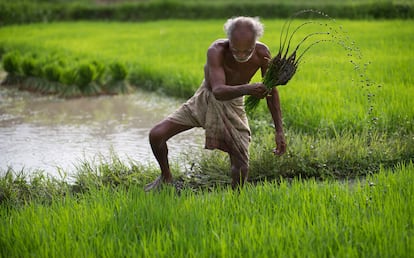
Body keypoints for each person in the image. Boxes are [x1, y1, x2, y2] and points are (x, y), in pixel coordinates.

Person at [145, 16, 286, 191]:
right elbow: (218, 91)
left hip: (234, 104)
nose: (241, 56)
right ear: (229, 41)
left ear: (255, 42)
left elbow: (272, 92)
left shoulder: (262, 54)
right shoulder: (216, 50)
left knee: (241, 162)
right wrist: (248, 88)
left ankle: (237, 200)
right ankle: (166, 177)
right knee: (156, 135)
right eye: (236, 50)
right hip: (206, 97)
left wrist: (279, 130)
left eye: (247, 51)